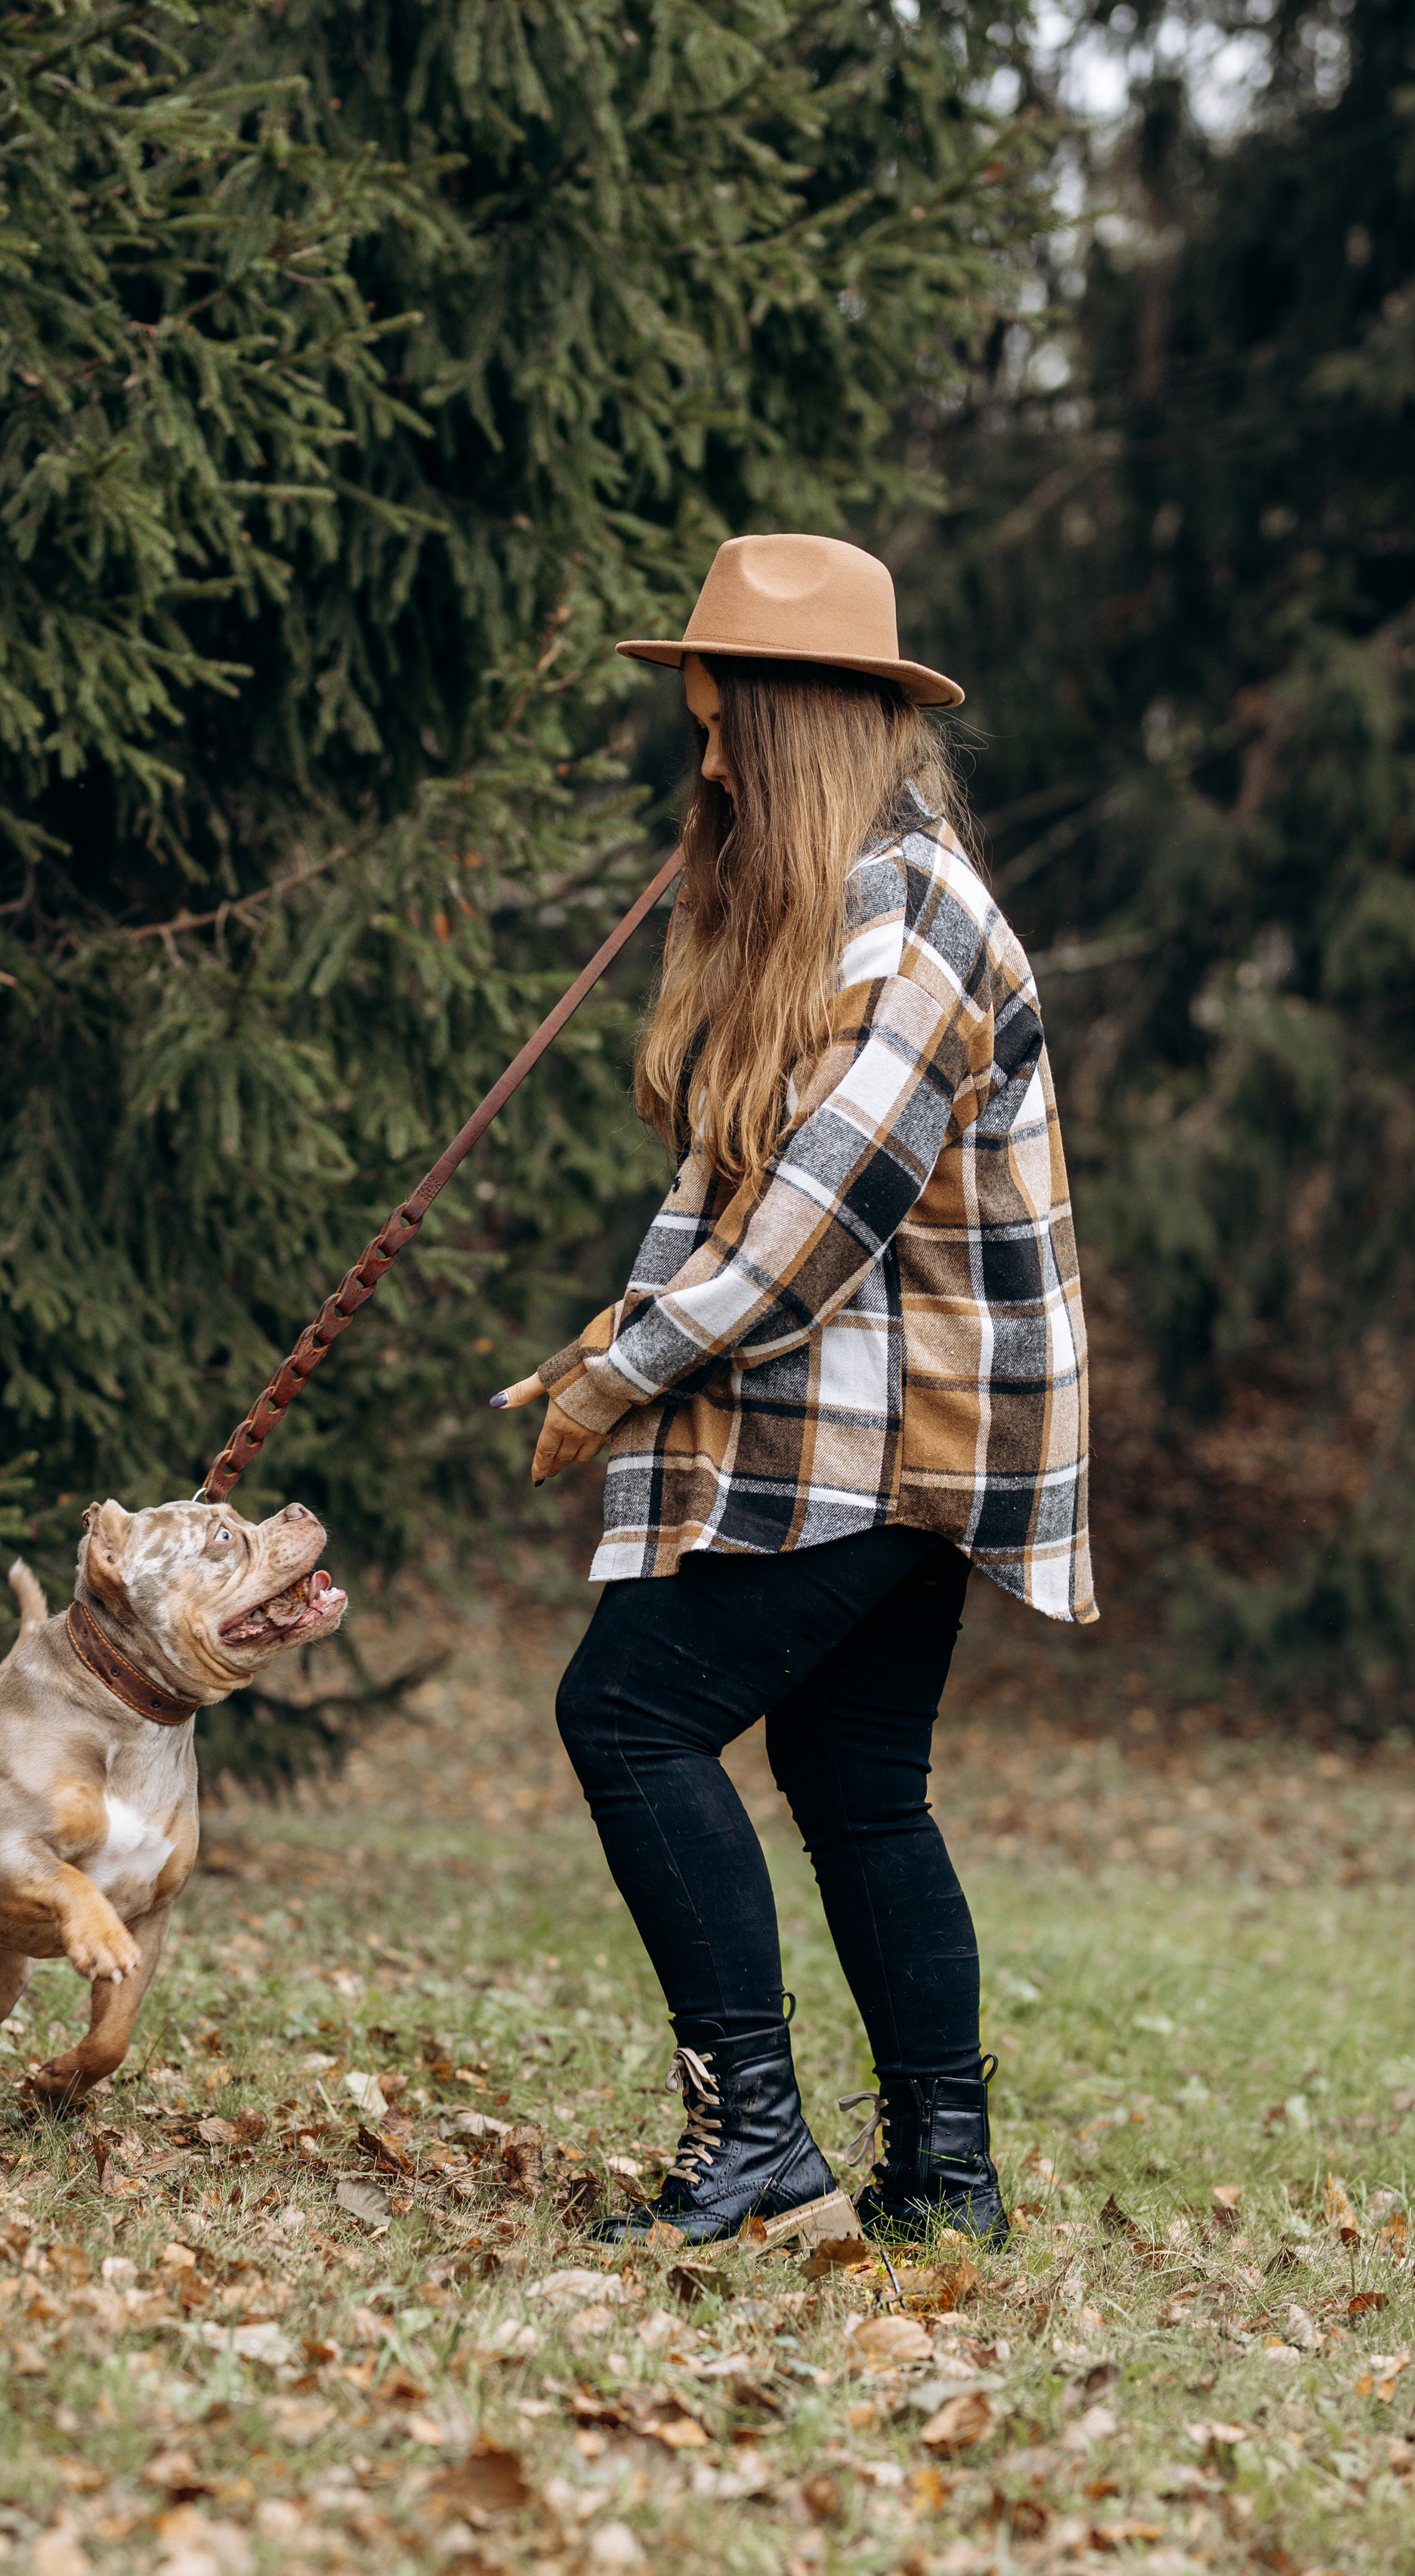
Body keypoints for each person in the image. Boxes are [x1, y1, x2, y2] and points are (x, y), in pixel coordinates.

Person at [492, 534, 1095, 2247]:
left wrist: (610, 1374)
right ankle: (943, 2180)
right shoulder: (834, 900)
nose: (697, 760)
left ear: (797, 722)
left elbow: (805, 1236)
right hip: (879, 1434)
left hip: (897, 1440)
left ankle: (752, 2143)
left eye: (717, 723)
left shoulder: (910, 925)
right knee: (851, 1778)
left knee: (627, 1712)